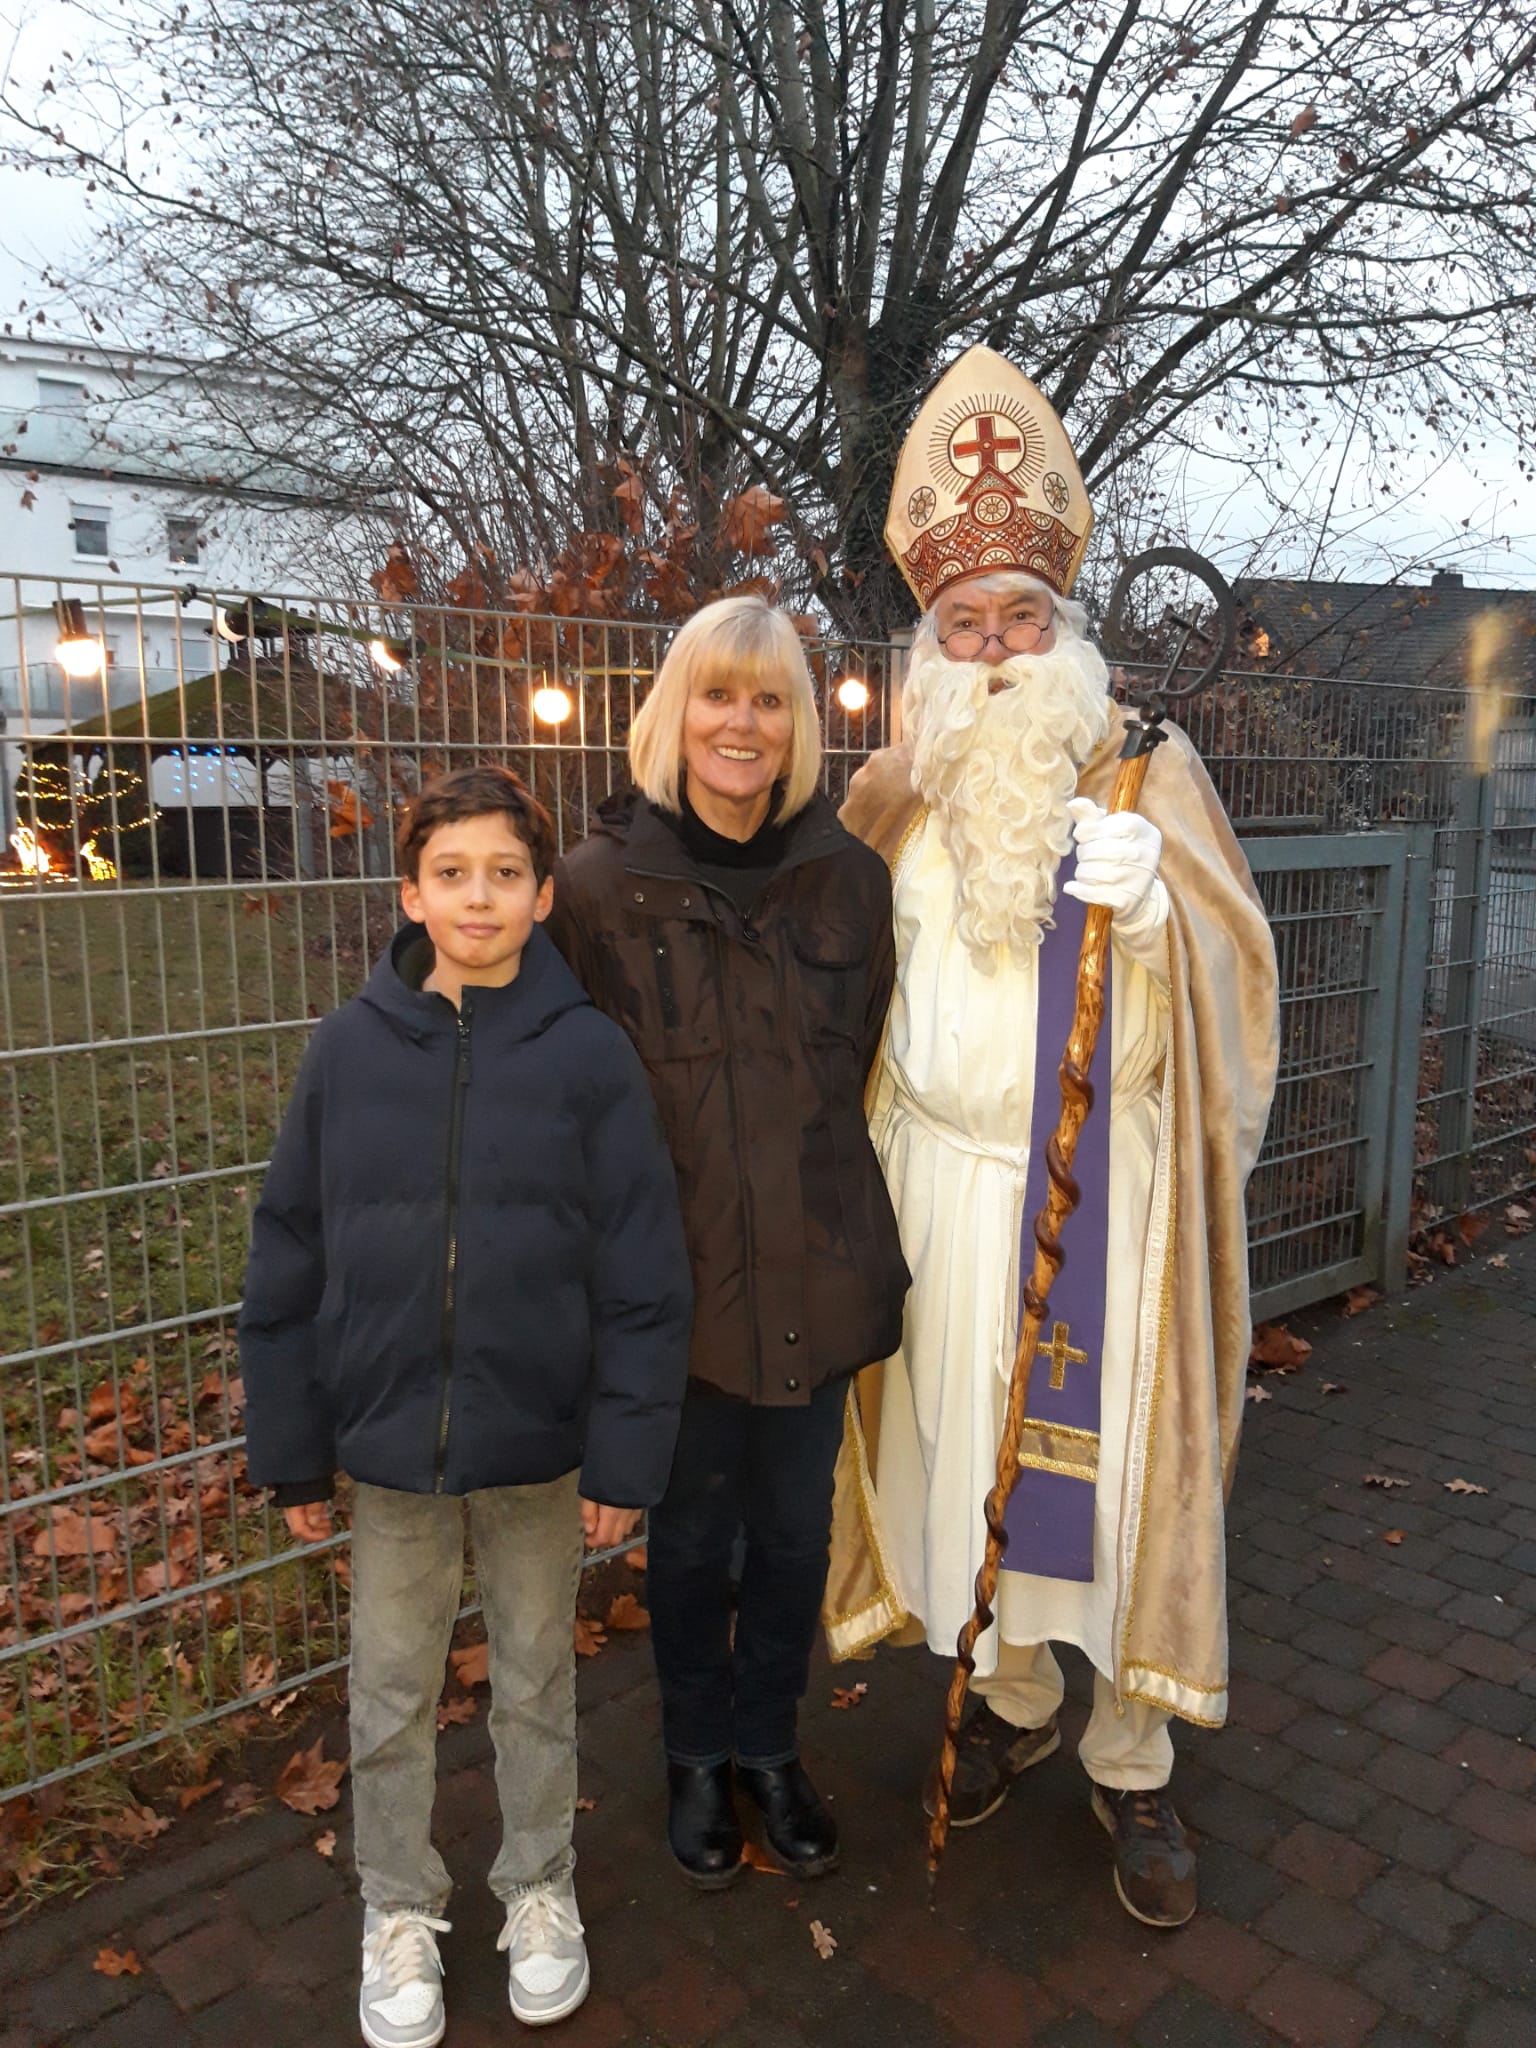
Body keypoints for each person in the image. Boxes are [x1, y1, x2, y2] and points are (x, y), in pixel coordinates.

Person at [822, 347, 1279, 1929]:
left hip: (1107, 1207)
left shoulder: (1146, 777)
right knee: (967, 1458)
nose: (997, 646)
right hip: (939, 1191)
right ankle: (1010, 1697)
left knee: (1110, 1474)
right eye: (967, 624)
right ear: (928, 644)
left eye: (1023, 618)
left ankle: (1133, 1759)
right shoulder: (900, 790)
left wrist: (1158, 917)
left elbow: (1243, 991)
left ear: (1068, 631)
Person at [240, 765, 692, 2044]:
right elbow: (288, 1254)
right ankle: (397, 1905)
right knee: (387, 1688)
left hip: (540, 1448)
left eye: (504, 873)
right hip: (388, 1450)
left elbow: (643, 1269)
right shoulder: (347, 1052)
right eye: (452, 873)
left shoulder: (590, 1056)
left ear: (544, 896)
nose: (478, 895)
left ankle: (538, 1886)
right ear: (410, 891)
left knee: (538, 1678)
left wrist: (625, 1449)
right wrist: (292, 1450)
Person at [547, 594, 909, 1888]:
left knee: (795, 1536)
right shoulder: (595, 892)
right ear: (674, 710)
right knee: (692, 1539)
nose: (741, 725)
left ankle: (770, 1746)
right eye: (718, 694)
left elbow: (854, 1065)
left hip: (817, 1272)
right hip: (679, 1296)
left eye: (769, 700)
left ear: (800, 723)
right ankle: (695, 1756)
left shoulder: (851, 881)